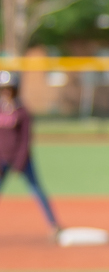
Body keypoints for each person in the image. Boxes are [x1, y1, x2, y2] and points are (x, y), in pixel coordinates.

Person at [0, 72, 63, 240]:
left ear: (15, 89)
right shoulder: (0, 109)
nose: (6, 92)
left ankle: (53, 224)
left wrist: (19, 161)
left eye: (9, 89)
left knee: (36, 190)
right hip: (2, 159)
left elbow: (26, 139)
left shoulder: (22, 111)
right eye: (4, 89)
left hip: (22, 159)